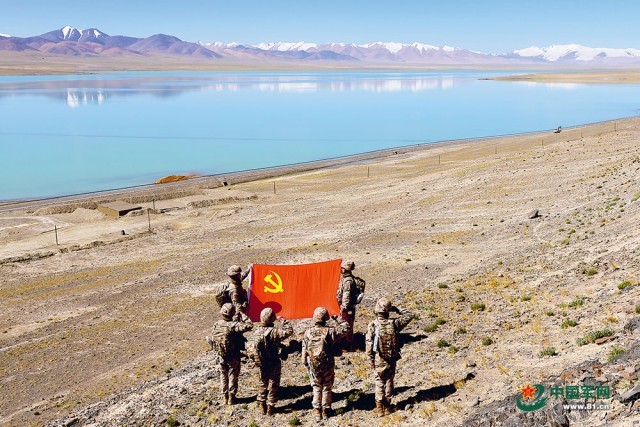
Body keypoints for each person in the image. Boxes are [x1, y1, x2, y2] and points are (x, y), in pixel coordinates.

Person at [365, 297, 416, 416]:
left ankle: (379, 409)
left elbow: (369, 344)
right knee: (389, 381)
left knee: (379, 382)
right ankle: (387, 407)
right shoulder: (394, 323)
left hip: (379, 358)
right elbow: (410, 314)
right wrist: (396, 309)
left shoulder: (373, 325)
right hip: (392, 358)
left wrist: (370, 359)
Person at [301, 307, 350, 421]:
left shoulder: (308, 332)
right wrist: (338, 318)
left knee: (316, 386)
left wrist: (305, 362)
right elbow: (346, 328)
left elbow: (304, 347)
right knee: (327, 386)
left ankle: (317, 411)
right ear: (326, 318)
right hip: (327, 362)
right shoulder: (330, 331)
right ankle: (326, 410)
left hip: (313, 363)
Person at [247, 308, 294, 415]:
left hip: (261, 362)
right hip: (273, 362)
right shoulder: (274, 332)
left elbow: (249, 348)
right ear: (272, 318)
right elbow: (289, 331)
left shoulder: (256, 333)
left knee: (262, 383)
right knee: (274, 384)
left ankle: (262, 404)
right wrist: (283, 321)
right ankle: (270, 406)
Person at [209, 303, 253, 405]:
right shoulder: (233, 326)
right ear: (232, 313)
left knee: (223, 375)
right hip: (233, 355)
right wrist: (242, 313)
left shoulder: (217, 324)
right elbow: (249, 325)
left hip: (221, 354)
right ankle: (232, 397)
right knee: (233, 374)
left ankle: (225, 397)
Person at [336, 260, 359, 350]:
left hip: (347, 309)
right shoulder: (347, 279)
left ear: (345, 269)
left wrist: (343, 308)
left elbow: (346, 296)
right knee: (346, 325)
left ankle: (348, 345)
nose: (340, 270)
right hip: (347, 308)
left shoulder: (348, 281)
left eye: (342, 268)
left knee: (347, 326)